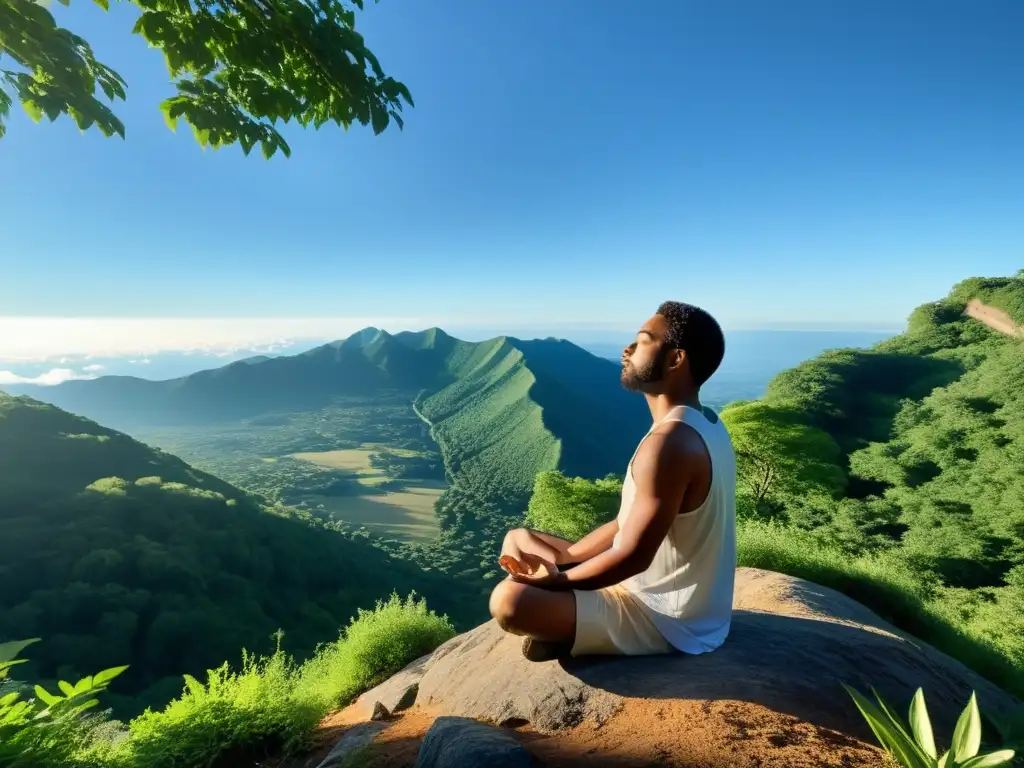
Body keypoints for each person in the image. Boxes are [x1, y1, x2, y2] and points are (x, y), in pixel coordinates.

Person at [490, 301, 736, 662]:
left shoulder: (671, 444)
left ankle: (570, 632)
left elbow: (633, 557)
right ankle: (571, 624)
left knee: (510, 602)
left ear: (675, 359)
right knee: (518, 539)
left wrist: (558, 581)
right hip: (667, 601)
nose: (628, 350)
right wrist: (568, 558)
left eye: (642, 341)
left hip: (666, 620)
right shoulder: (707, 423)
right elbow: (625, 525)